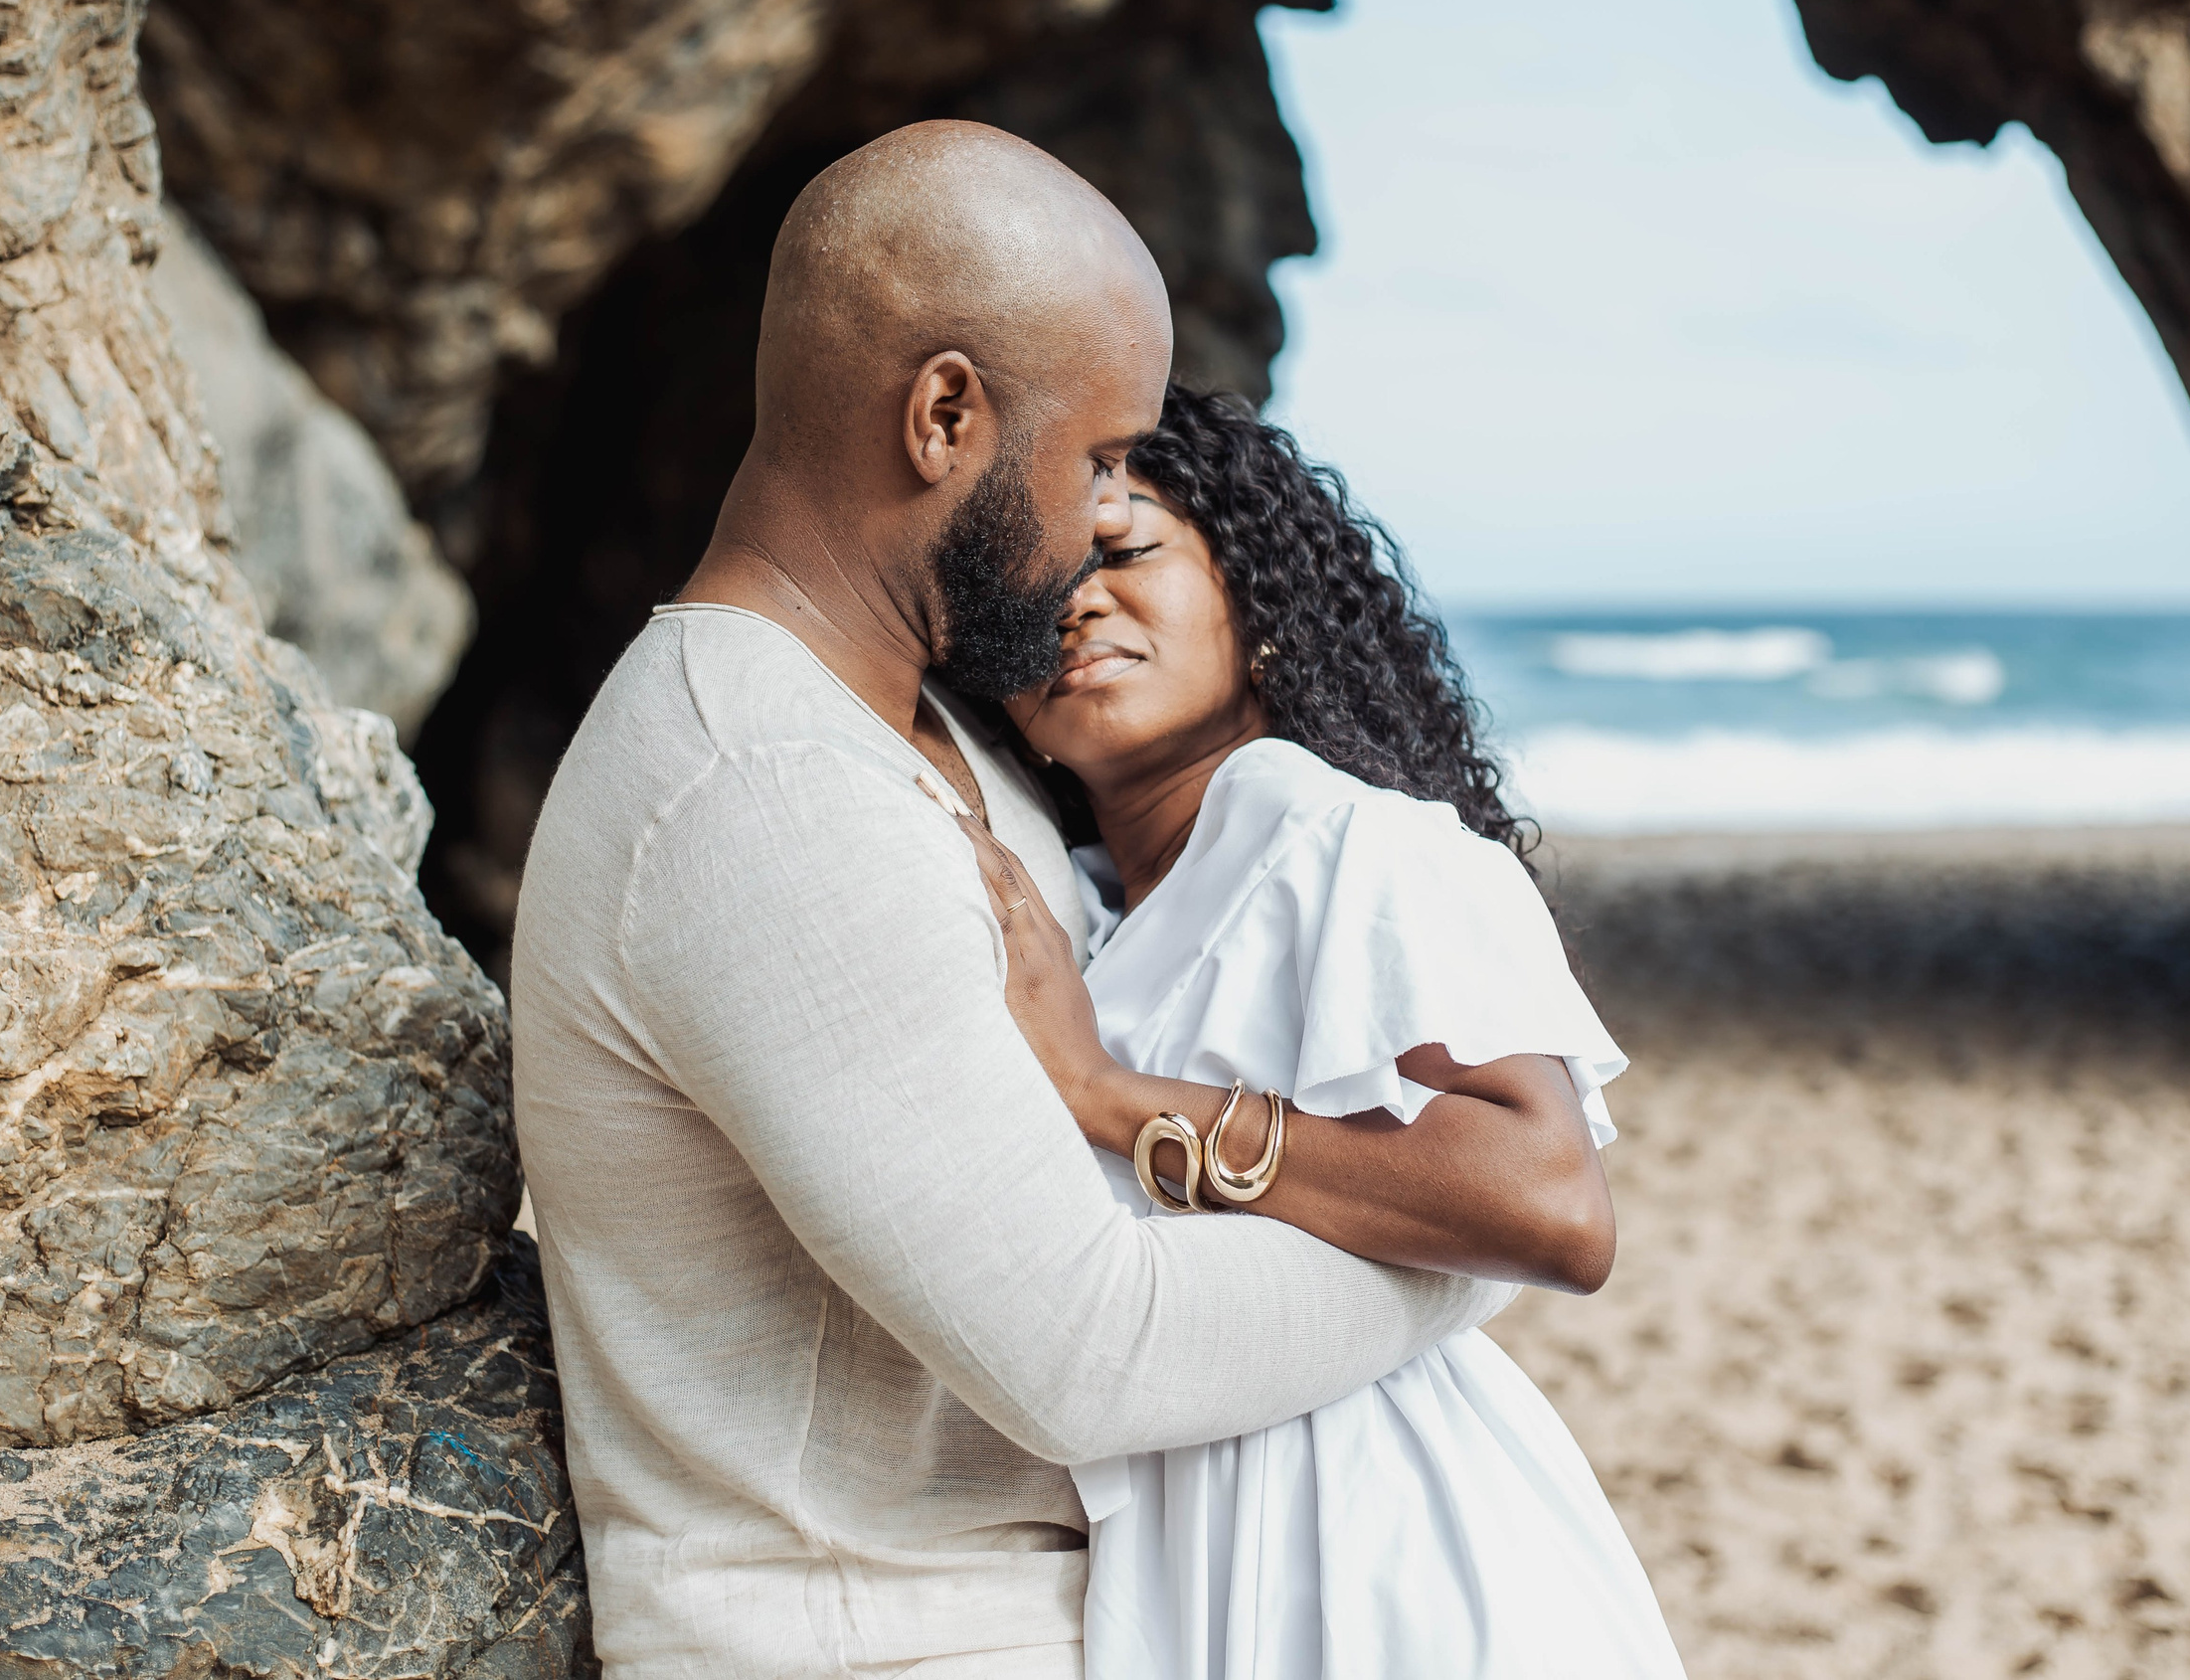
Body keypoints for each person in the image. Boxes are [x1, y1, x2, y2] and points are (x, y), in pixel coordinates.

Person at [510, 123, 1518, 1678]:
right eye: (1099, 458)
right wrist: (1465, 1254)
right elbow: (1089, 1352)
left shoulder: (925, 727)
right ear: (944, 418)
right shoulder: (756, 788)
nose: (1102, 513)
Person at [945, 385, 1690, 1678]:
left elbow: (1551, 1202)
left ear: (1262, 603)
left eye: (1124, 553)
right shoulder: (1095, 917)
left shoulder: (1355, 843)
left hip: (1387, 1549)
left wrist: (1105, 1093)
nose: (1075, 603)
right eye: (1039, 584)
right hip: (1184, 1558)